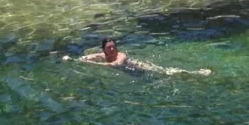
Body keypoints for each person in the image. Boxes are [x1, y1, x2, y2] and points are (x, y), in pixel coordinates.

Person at [64, 37, 211, 76]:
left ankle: (195, 73)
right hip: (129, 73)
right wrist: (74, 59)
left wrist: (91, 64)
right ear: (104, 49)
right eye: (109, 48)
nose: (113, 49)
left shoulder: (121, 56)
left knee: (167, 71)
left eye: (114, 46)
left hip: (139, 68)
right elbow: (87, 57)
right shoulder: (101, 55)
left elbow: (114, 65)